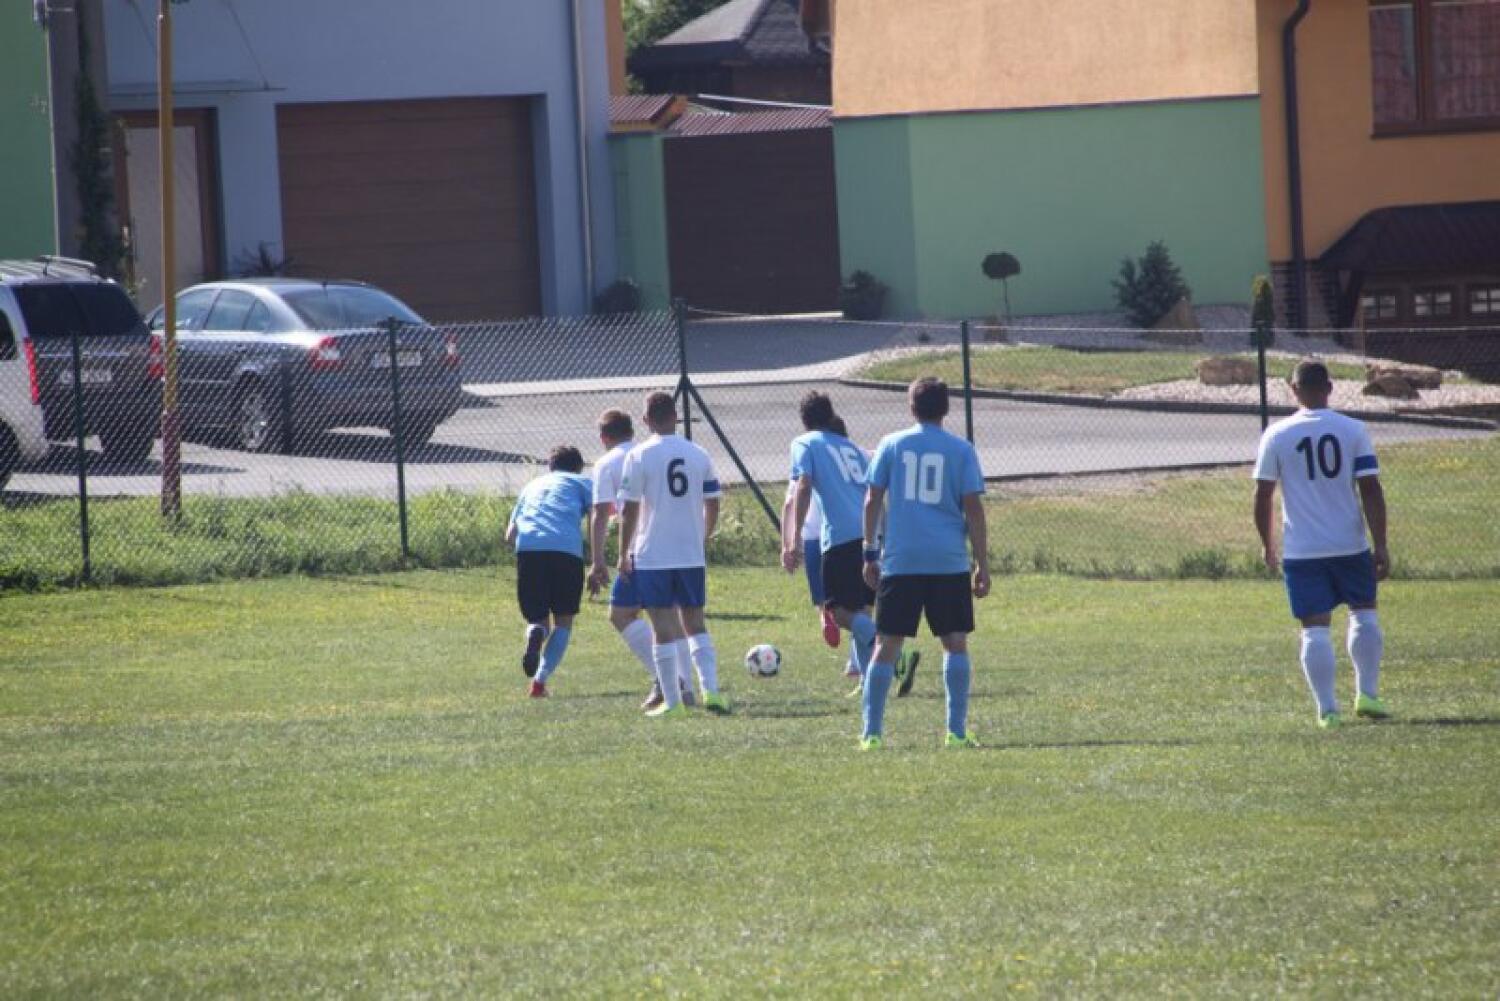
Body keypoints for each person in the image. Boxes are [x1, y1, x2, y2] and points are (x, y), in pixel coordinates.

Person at [1253, 359, 1391, 728]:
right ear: (1330, 388)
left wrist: (1268, 544)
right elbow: (1370, 488)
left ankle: (1328, 711)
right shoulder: (1353, 429)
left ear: (1293, 390)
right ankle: (1368, 694)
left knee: (1314, 629)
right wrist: (1380, 543)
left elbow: (1263, 494)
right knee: (1364, 614)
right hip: (1350, 544)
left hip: (1303, 550)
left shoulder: (1277, 435)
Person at [860, 378, 990, 750]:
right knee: (955, 643)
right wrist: (982, 563)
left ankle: (872, 734)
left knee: (887, 644)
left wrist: (869, 551)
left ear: (911, 408)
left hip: (902, 559)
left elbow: (871, 499)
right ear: (946, 408)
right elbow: (974, 509)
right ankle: (956, 732)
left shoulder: (891, 444)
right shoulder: (961, 450)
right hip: (948, 560)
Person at [781, 396, 918, 698]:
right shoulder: (853, 448)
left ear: (804, 421)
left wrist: (794, 538)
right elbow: (876, 493)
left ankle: (895, 654)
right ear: (831, 415)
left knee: (840, 613)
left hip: (841, 536)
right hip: (870, 535)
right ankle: (870, 683)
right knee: (860, 612)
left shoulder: (805, 443)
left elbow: (803, 485)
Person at [617, 391, 729, 717]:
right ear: (676, 416)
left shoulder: (639, 455)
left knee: (663, 626)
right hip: (690, 553)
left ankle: (673, 702)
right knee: (695, 622)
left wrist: (623, 553)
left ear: (645, 420)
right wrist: (703, 535)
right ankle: (711, 692)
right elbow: (713, 501)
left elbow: (630, 509)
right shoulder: (698, 453)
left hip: (653, 554)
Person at [587, 408, 694, 710]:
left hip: (639, 550)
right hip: (674, 547)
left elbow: (600, 513)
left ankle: (668, 680)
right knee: (670, 616)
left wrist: (597, 560)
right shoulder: (649, 451)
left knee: (621, 614)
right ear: (633, 431)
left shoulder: (607, 463)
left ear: (603, 437)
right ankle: (685, 688)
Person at [505, 445, 594, 698]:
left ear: (550, 466)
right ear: (579, 467)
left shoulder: (531, 486)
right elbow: (599, 515)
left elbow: (510, 535)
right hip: (565, 550)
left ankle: (536, 633)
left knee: (538, 619)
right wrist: (594, 555)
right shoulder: (582, 483)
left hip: (529, 550)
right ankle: (539, 683)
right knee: (564, 620)